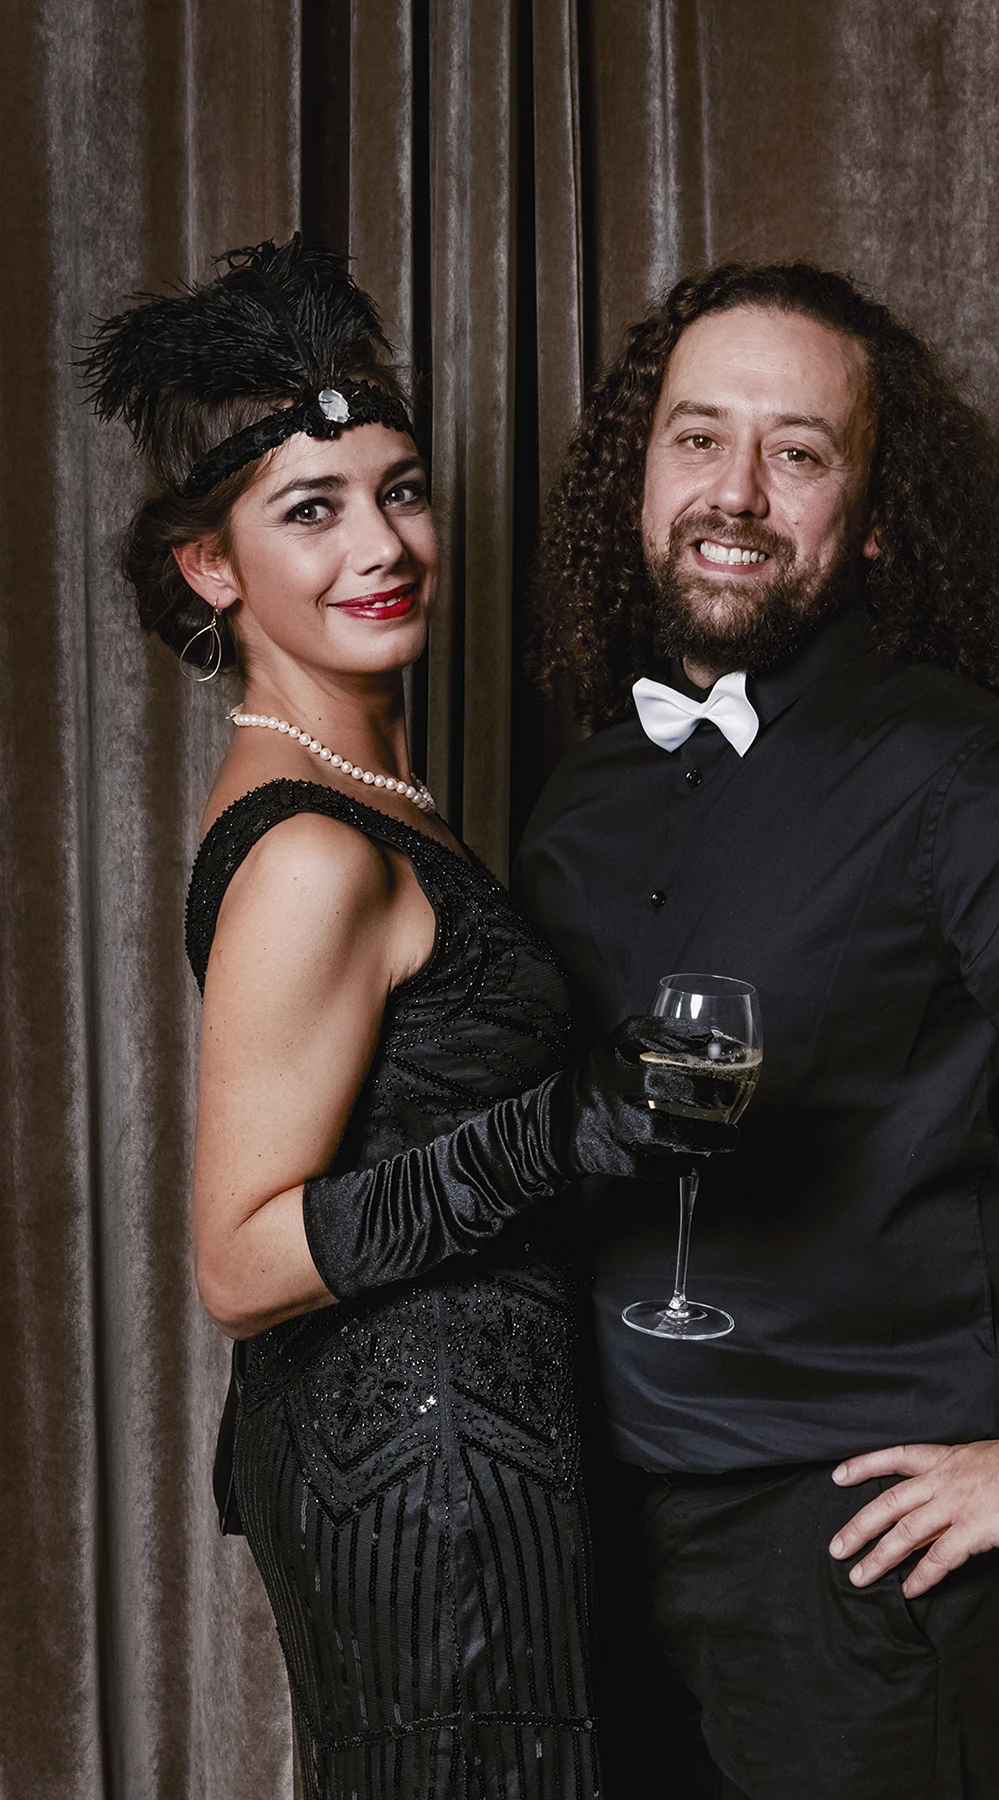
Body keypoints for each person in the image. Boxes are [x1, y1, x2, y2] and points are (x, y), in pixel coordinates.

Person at [514, 262, 999, 1800]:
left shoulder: (973, 785)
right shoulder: (583, 798)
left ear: (871, 518)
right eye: (697, 439)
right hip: (588, 1540)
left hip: (854, 1567)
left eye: (797, 453)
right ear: (636, 478)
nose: (736, 493)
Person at [83, 237, 738, 1800]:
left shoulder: (366, 795)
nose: (381, 543)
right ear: (211, 566)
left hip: (460, 1448)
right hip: (424, 1475)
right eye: (310, 511)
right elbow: (240, 1262)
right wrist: (562, 1129)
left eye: (401, 489)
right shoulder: (311, 849)